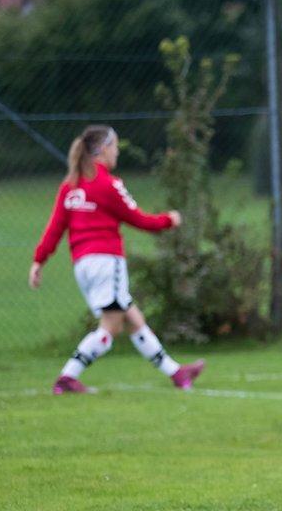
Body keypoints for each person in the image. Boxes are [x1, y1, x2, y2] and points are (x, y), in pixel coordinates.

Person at [29, 124, 205, 394]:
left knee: (133, 319)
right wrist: (169, 220)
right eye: (115, 147)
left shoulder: (70, 187)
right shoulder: (108, 184)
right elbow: (139, 219)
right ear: (101, 150)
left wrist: (39, 261)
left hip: (83, 266)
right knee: (111, 328)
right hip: (106, 262)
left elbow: (55, 227)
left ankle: (176, 373)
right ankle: (67, 377)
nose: (117, 154)